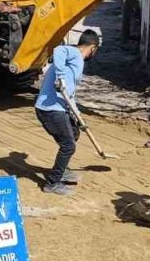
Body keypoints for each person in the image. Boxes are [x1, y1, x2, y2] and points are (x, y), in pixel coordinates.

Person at [34, 30, 101, 195]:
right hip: (49, 110)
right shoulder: (73, 52)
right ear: (93, 48)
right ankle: (52, 184)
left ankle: (61, 169)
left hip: (59, 108)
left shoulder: (75, 62)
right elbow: (58, 50)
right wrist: (61, 77)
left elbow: (69, 94)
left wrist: (78, 117)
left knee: (74, 132)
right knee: (68, 145)